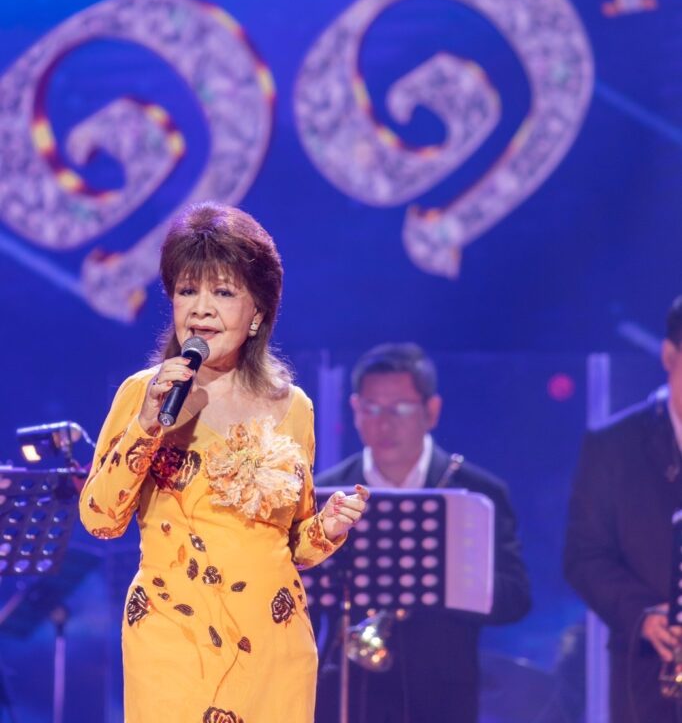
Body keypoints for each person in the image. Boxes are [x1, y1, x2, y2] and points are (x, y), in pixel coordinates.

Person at [79, 202, 369, 723]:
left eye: (224, 292)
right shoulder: (143, 394)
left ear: (258, 312)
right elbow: (100, 519)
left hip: (274, 647)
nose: (202, 309)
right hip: (172, 640)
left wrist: (328, 528)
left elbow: (293, 547)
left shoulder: (293, 408)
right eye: (187, 290)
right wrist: (147, 424)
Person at [314, 342, 531, 723]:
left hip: (442, 696)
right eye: (371, 408)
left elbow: (515, 598)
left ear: (431, 411)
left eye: (399, 409)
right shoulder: (328, 493)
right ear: (355, 409)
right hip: (350, 693)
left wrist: (452, 580)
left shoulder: (477, 493)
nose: (384, 424)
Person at [564, 296, 682, 723]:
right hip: (648, 673)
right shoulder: (613, 445)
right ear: (669, 355)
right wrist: (645, 616)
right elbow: (584, 556)